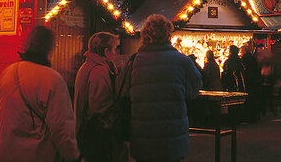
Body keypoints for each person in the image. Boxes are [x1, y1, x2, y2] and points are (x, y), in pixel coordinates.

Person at [121, 14, 201, 162]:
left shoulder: (133, 62)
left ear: (144, 35)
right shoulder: (183, 61)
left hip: (143, 135)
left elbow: (123, 93)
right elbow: (193, 90)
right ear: (168, 34)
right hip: (173, 135)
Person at [0, 26, 79, 162]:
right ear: (49, 48)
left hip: (5, 153)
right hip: (36, 154)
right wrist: (74, 156)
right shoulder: (53, 79)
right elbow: (61, 128)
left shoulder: (8, 73)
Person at [74, 31, 120, 161]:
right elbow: (100, 108)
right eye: (114, 49)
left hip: (84, 133)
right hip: (96, 137)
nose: (115, 54)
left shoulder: (86, 66)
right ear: (106, 52)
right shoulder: (99, 71)